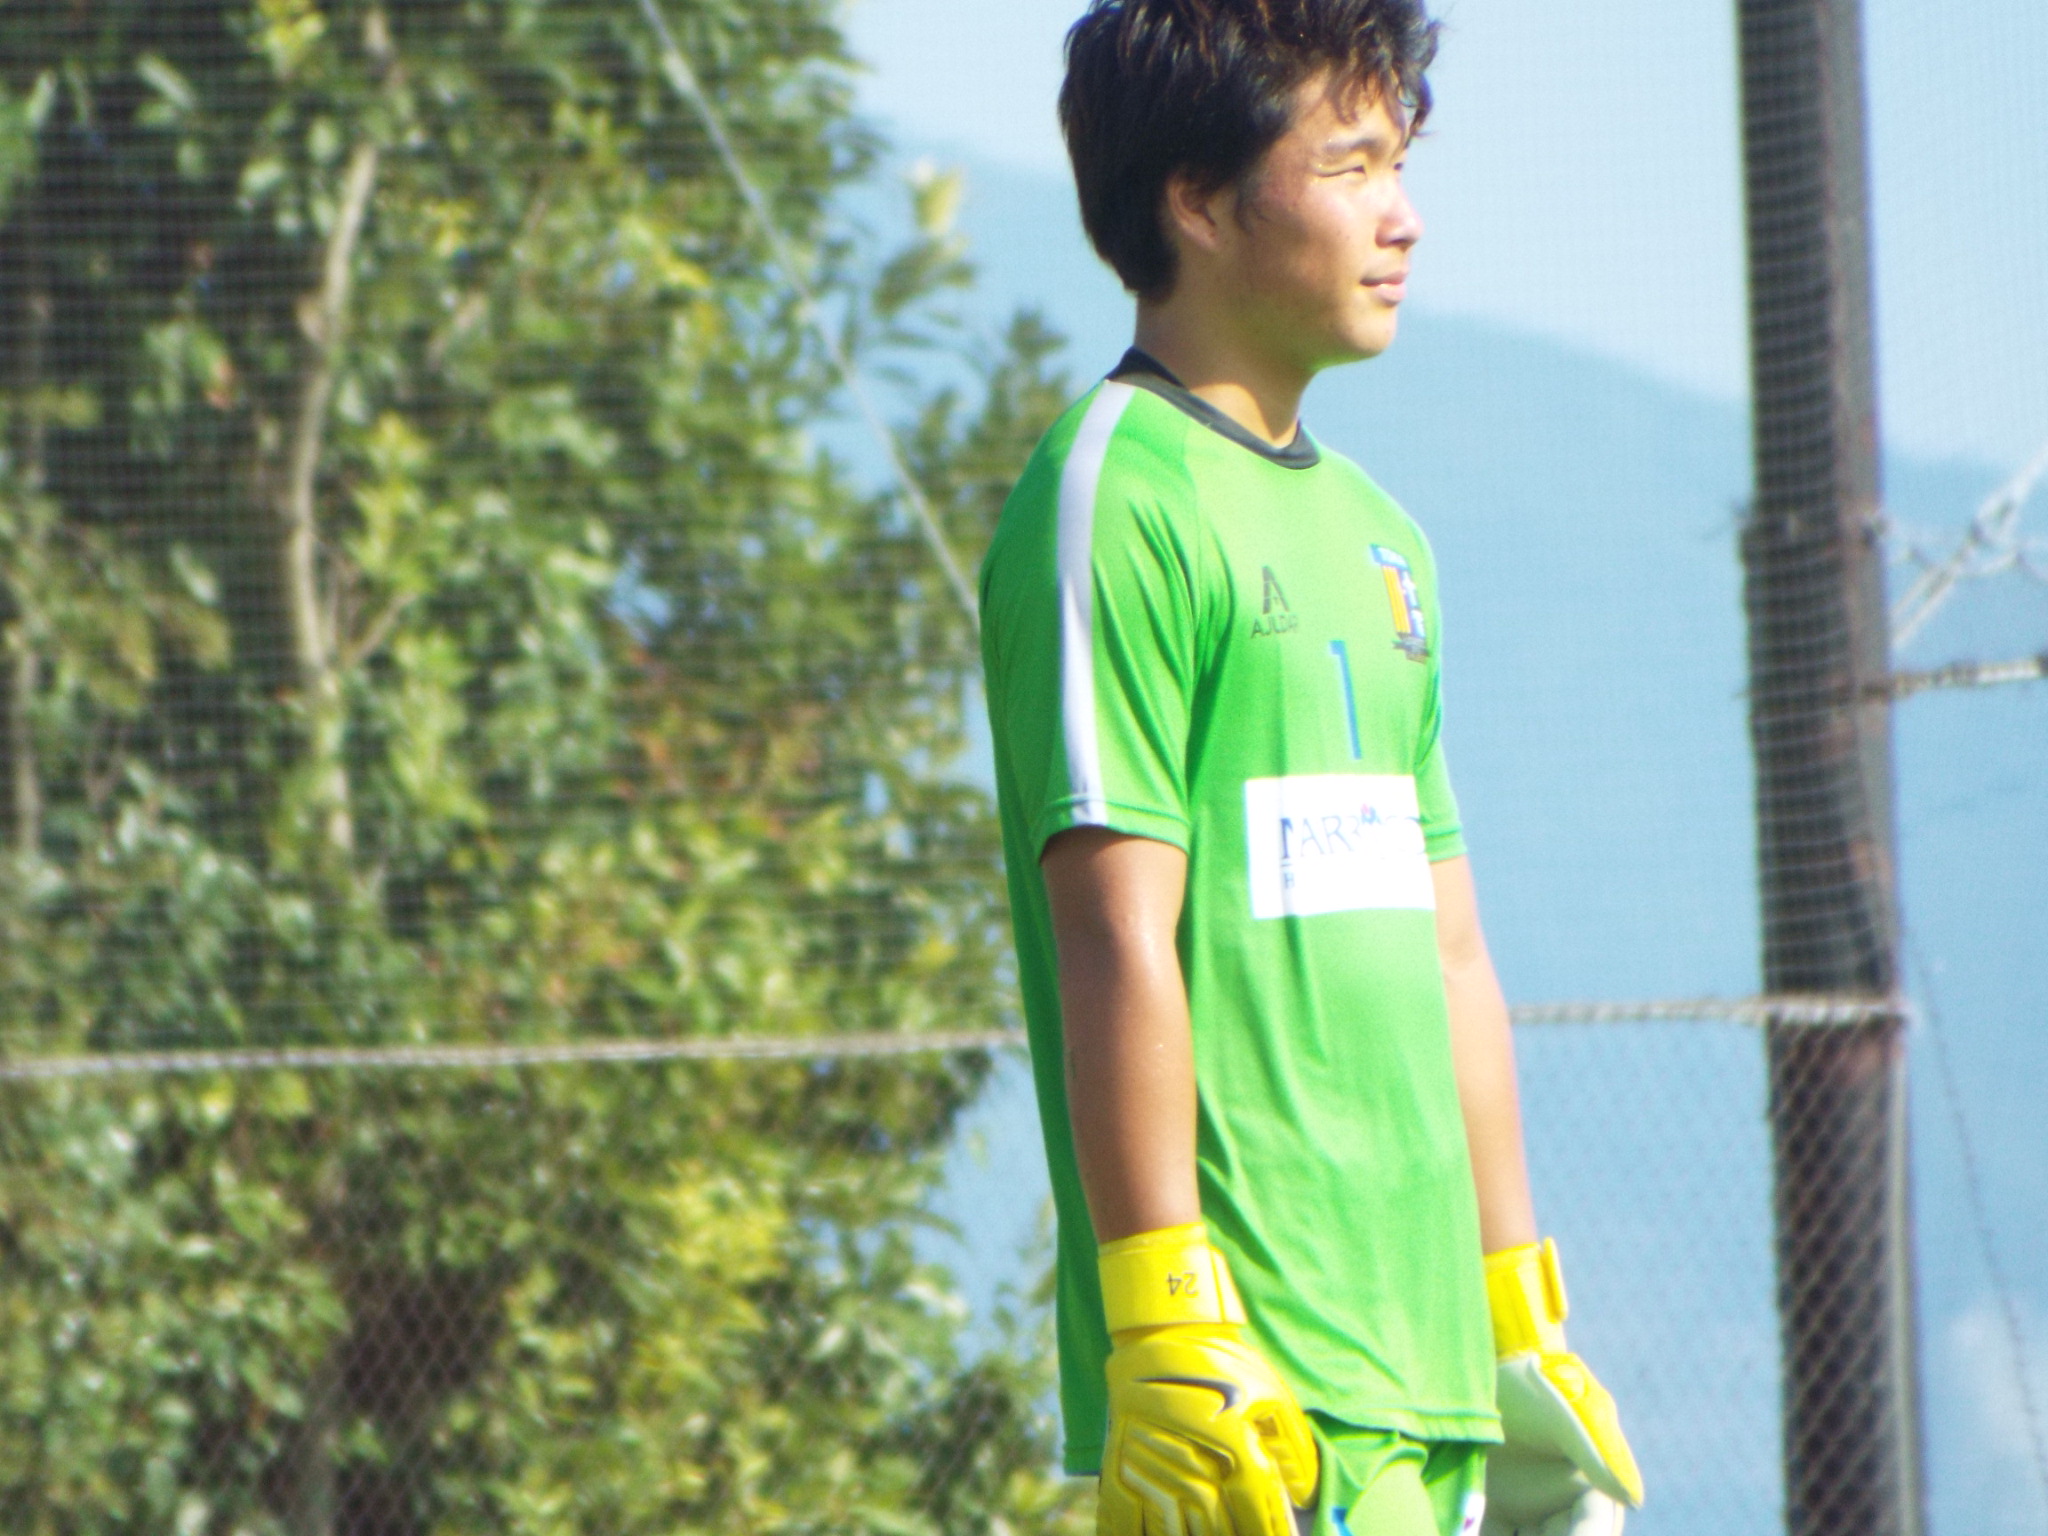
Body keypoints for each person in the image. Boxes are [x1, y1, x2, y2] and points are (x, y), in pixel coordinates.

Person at [977, 3, 1645, 1533]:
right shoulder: (1114, 497)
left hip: (1438, 1375)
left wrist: (1517, 1307)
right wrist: (1166, 1325)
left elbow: (1452, 948)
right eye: (1351, 166)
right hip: (1261, 1392)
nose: (1402, 217)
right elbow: (1114, 935)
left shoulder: (1383, 536)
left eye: (1399, 164)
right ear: (1198, 203)